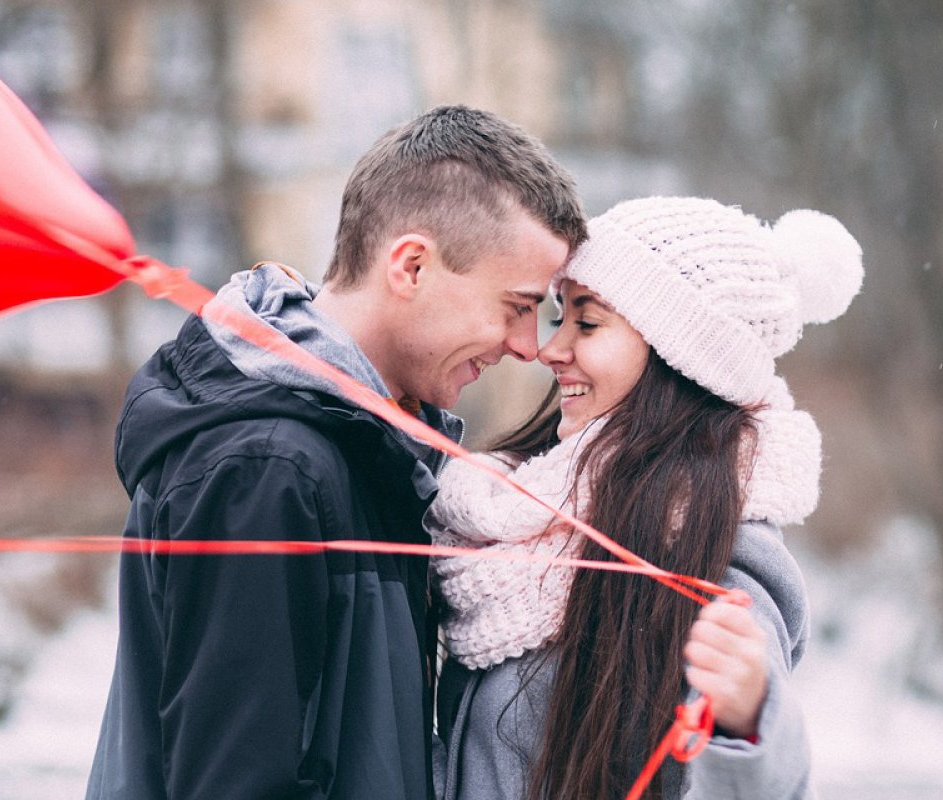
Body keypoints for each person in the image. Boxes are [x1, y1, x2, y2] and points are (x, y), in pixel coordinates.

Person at [86, 105, 587, 800]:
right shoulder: (266, 469)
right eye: (516, 306)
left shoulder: (363, 454)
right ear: (411, 266)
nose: (529, 346)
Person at [430, 196, 863, 799]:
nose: (552, 349)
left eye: (587, 322)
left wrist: (746, 721)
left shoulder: (718, 554)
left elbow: (760, 781)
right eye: (562, 317)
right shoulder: (506, 516)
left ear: (680, 357)